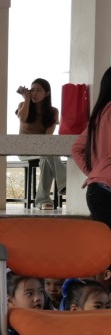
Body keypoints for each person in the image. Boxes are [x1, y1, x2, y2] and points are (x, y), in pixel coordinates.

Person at [16, 79, 66, 210]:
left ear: (47, 93)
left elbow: (47, 138)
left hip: (44, 149)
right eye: (32, 90)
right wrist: (26, 98)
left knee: (45, 158)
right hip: (24, 150)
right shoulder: (23, 105)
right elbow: (22, 118)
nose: (34, 93)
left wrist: (43, 148)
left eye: (39, 90)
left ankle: (43, 201)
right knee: (48, 154)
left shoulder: (53, 111)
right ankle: (65, 183)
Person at [73, 66, 111, 229]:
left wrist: (95, 174)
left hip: (97, 190)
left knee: (105, 242)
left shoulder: (99, 115)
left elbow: (76, 149)